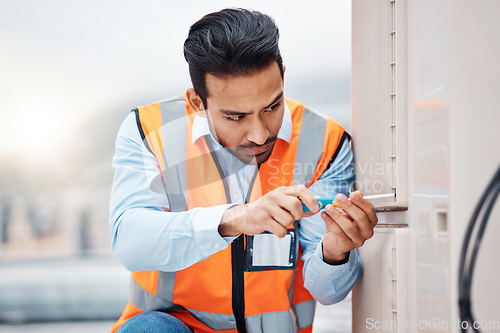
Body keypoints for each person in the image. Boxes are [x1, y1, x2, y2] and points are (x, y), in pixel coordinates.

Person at [109, 8, 378, 333]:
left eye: (272, 107)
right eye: (236, 117)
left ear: (282, 75)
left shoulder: (327, 143)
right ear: (197, 102)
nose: (260, 134)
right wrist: (236, 219)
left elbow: (328, 292)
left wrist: (334, 252)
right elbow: (130, 241)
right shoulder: (149, 131)